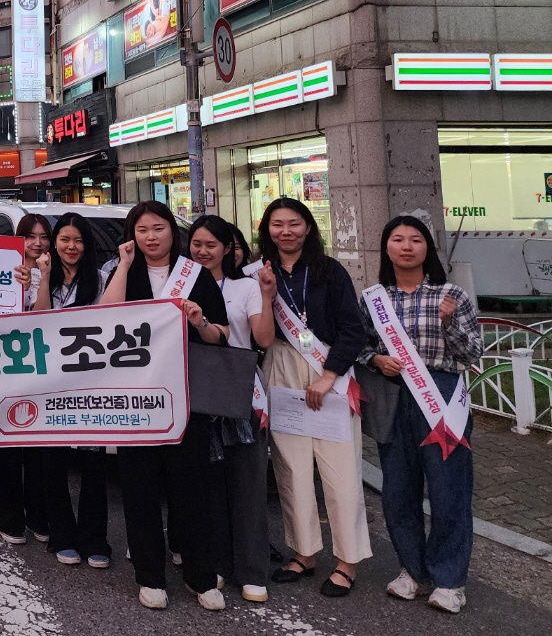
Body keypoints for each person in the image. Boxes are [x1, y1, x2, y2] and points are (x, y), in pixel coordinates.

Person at [100, 201, 229, 611]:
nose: (150, 237)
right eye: (141, 230)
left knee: (191, 490)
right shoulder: (124, 272)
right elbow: (104, 319)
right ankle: (150, 576)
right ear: (132, 236)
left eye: (158, 228)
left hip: (186, 401)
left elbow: (221, 336)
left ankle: (200, 576)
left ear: (174, 232)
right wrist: (123, 264)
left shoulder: (196, 275)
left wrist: (199, 322)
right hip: (135, 400)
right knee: (139, 490)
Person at [361, 215, 480, 614]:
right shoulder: (374, 299)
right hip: (394, 397)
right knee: (397, 490)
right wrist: (376, 358)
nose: (407, 246)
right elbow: (357, 345)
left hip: (441, 396)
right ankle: (411, 569)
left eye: (416, 239)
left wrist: (448, 324)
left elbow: (471, 355)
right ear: (387, 247)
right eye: (398, 239)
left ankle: (449, 579)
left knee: (449, 491)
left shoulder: (451, 296)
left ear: (427, 247)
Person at [256, 197, 371, 597]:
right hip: (281, 369)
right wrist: (267, 295)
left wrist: (328, 375)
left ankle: (347, 562)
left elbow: (353, 330)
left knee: (340, 470)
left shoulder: (329, 270)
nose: (285, 231)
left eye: (294, 223)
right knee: (291, 469)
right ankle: (303, 553)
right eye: (277, 224)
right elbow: (258, 331)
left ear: (308, 227)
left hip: (329, 372)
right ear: (266, 228)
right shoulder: (257, 272)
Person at [187, 215, 275, 604]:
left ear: (228, 248)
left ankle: (253, 569)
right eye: (197, 244)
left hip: (242, 391)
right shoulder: (179, 284)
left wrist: (268, 297)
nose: (203, 251)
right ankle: (218, 564)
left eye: (211, 245)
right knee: (209, 486)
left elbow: (263, 338)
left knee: (249, 482)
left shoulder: (246, 288)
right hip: (197, 393)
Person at [35, 213, 114, 570]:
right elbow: (37, 320)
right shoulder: (42, 278)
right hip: (50, 387)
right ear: (55, 243)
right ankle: (62, 535)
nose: (71, 247)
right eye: (64, 240)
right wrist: (42, 278)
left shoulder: (100, 280)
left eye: (78, 240)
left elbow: (113, 320)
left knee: (94, 465)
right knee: (53, 463)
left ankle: (95, 538)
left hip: (91, 387)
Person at [0, 215, 52, 551]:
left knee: (39, 445)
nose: (37, 243)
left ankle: (39, 514)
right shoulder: (0, 267)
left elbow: (45, 316)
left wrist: (42, 280)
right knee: (5, 442)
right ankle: (8, 515)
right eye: (30, 236)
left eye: (43, 236)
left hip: (44, 371)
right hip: (3, 368)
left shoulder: (56, 271)